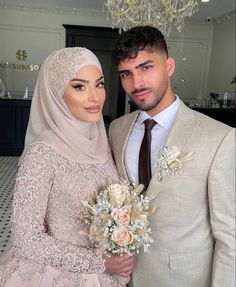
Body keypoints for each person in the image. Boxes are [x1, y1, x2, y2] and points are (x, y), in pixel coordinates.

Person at [109, 26, 235, 287]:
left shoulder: (220, 138)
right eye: (126, 74)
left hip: (182, 278)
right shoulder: (116, 129)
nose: (137, 83)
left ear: (169, 66)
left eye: (146, 67)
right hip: (124, 277)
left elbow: (230, 237)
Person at [0, 47, 134, 287]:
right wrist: (98, 261)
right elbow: (26, 238)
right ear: (55, 93)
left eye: (99, 84)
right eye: (79, 86)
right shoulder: (42, 153)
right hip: (55, 274)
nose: (95, 97)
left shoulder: (102, 143)